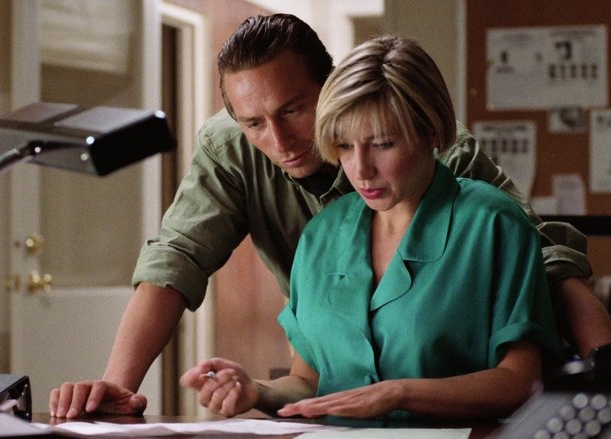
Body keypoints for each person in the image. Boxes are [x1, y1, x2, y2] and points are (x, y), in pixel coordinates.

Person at [49, 14, 611, 419]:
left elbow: (543, 260)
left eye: (294, 110)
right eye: (253, 123)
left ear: (329, 88)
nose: (278, 140)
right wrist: (117, 392)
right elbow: (177, 258)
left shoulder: (454, 169)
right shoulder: (303, 218)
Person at [180, 35, 562, 420]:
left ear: (431, 131)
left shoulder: (493, 222)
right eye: (345, 146)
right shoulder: (321, 235)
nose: (361, 169)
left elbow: (520, 381)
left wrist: (398, 394)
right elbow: (308, 382)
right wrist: (256, 391)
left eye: (382, 144)